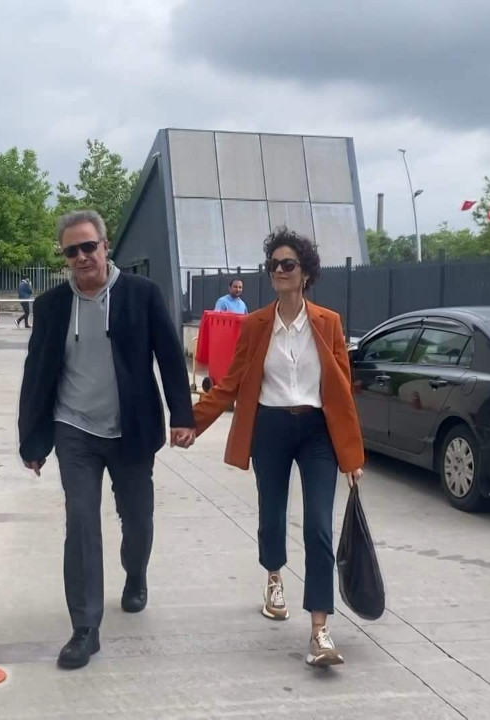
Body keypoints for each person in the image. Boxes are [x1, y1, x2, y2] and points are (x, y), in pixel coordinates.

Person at [17, 209, 196, 670]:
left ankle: (135, 574)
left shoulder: (141, 294)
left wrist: (182, 415)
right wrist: (31, 440)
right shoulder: (52, 306)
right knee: (80, 520)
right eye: (71, 251)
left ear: (105, 246)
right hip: (74, 427)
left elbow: (170, 357)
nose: (81, 257)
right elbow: (37, 373)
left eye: (88, 246)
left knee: (137, 519)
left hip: (131, 428)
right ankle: (85, 628)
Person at [190, 227, 365, 668]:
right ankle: (274, 578)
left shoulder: (328, 322)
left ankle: (320, 631)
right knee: (271, 515)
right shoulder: (255, 324)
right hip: (270, 427)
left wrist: (352, 455)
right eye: (274, 265)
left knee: (318, 527)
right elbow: (230, 382)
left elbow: (341, 391)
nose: (279, 271)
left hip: (317, 432)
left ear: (305, 273)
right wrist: (191, 422)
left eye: (288, 264)